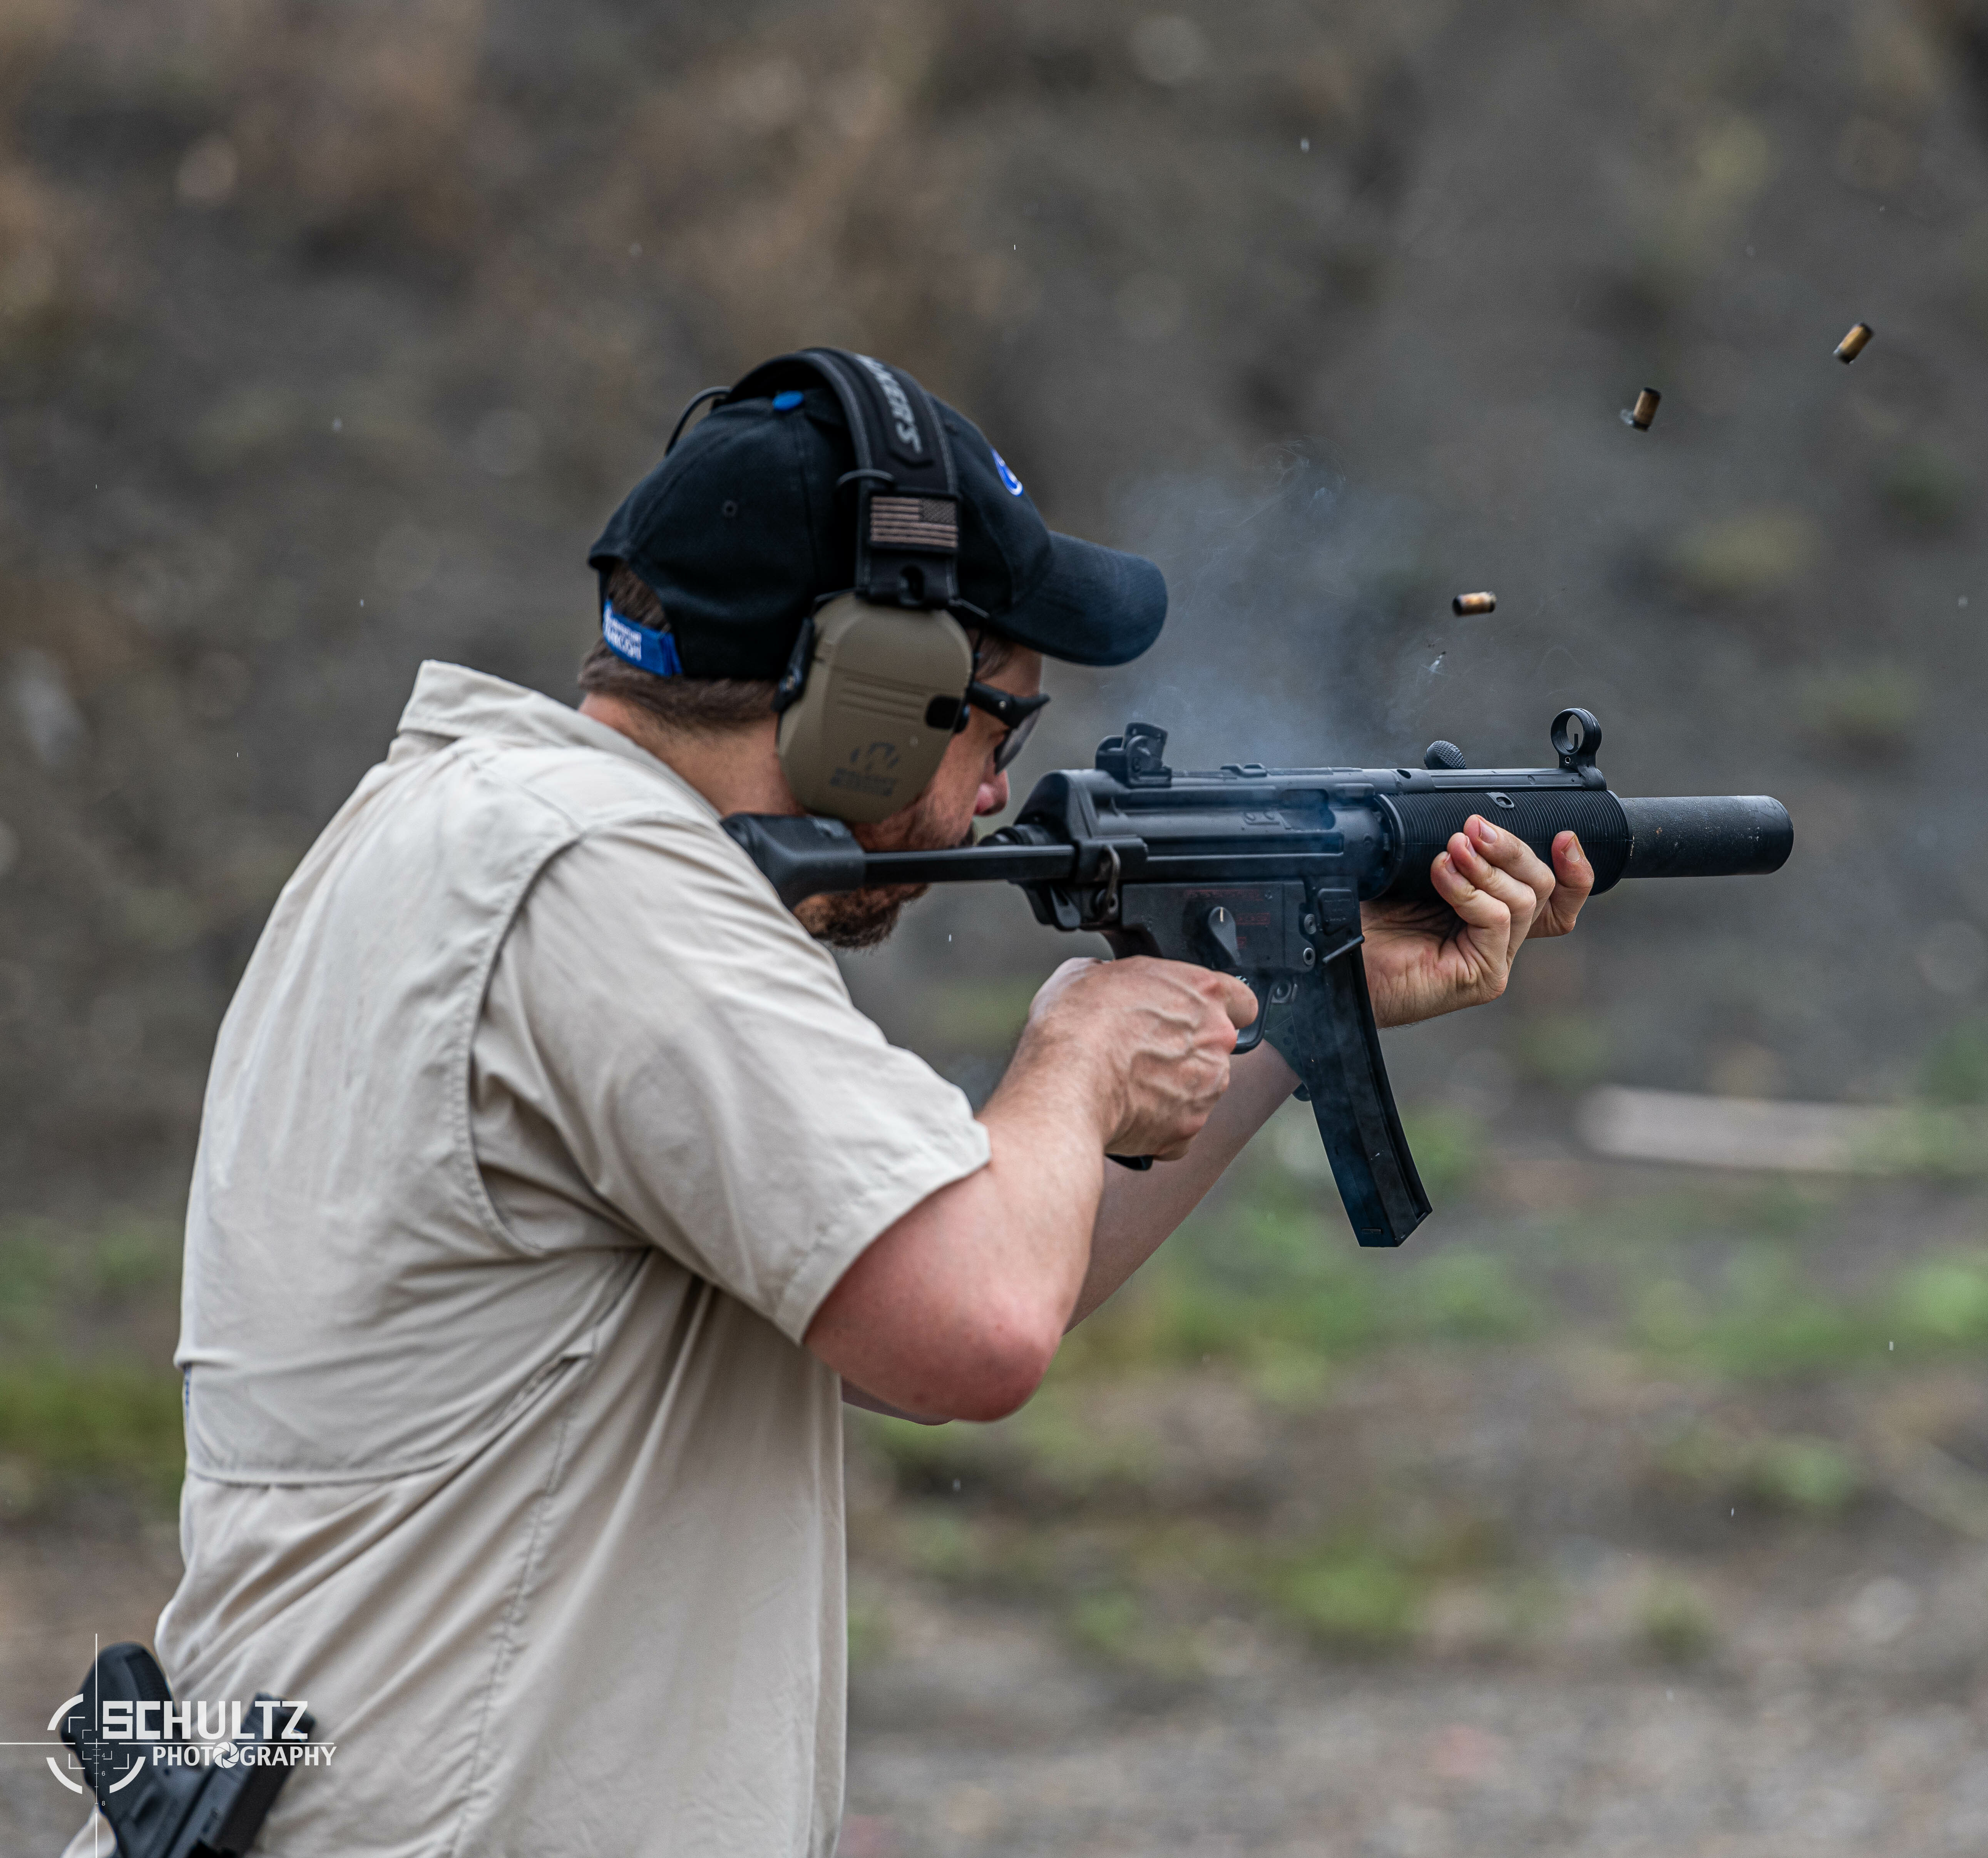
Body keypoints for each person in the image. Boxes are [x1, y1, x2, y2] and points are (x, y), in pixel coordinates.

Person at [117, 356, 1593, 1857]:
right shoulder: (602, 883)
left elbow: (926, 1301)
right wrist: (1074, 1058)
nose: (997, 798)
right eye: (997, 727)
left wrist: (1292, 996)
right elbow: (975, 1328)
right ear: (872, 695)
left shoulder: (488, 835)